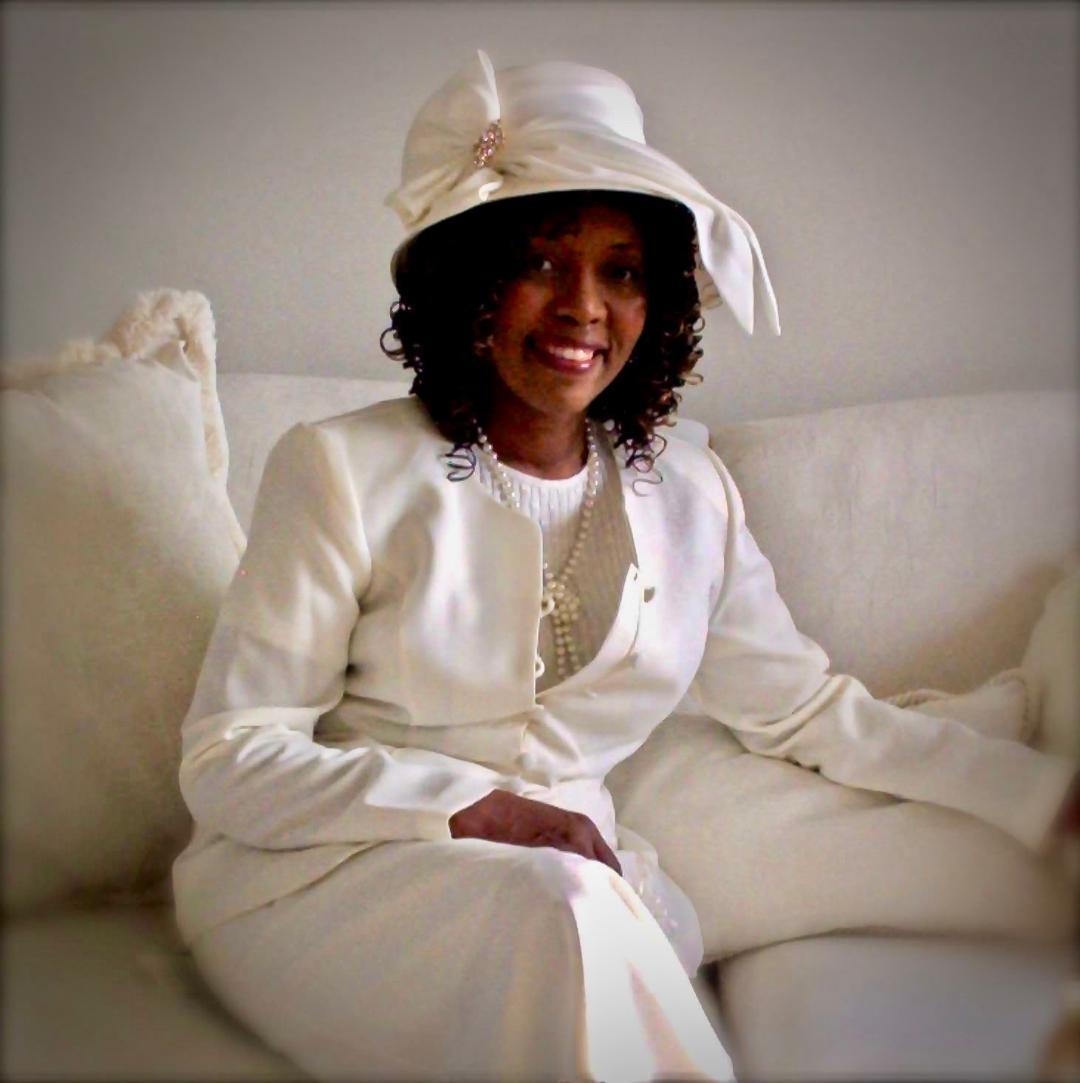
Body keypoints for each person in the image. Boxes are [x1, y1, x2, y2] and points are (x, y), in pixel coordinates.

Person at [172, 51, 1077, 1082]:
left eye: (623, 271)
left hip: (579, 898)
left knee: (573, 914)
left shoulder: (692, 494)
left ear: (660, 309)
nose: (583, 306)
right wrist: (466, 806)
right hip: (327, 882)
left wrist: (1038, 795)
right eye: (541, 261)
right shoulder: (339, 468)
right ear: (469, 281)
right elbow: (230, 758)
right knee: (562, 911)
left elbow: (807, 713)